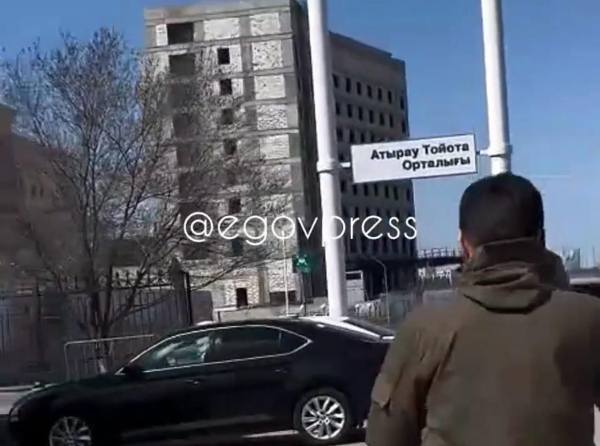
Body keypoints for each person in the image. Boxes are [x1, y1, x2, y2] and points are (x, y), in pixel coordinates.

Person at [366, 173, 600, 446]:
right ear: (541, 238)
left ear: (463, 243)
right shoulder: (588, 318)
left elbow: (385, 437)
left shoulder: (427, 328)